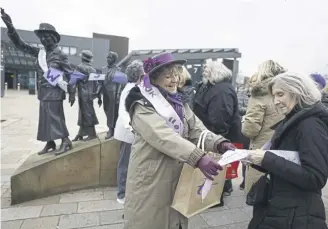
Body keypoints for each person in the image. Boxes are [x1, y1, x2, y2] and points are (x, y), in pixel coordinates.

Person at [123, 52, 236, 229]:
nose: (174, 79)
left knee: (174, 219)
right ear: (153, 78)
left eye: (176, 74)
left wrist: (219, 143)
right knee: (150, 220)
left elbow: (196, 128)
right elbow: (163, 136)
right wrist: (198, 157)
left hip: (176, 173)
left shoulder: (178, 102)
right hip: (151, 175)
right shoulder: (141, 104)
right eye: (168, 76)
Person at [246, 72, 328, 229]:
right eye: (274, 96)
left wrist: (267, 159)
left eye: (280, 94)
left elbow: (315, 177)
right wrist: (257, 160)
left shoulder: (310, 125)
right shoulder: (293, 120)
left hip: (296, 214)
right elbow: (289, 160)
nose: (275, 101)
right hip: (284, 206)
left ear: (297, 91)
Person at [1, 9, 73, 156]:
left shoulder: (61, 55)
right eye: (42, 37)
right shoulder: (40, 53)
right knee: (45, 119)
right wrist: (11, 27)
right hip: (43, 92)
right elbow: (21, 45)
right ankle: (50, 141)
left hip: (55, 91)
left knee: (55, 117)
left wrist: (72, 92)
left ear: (54, 38)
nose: (44, 39)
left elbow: (71, 73)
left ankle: (66, 141)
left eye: (47, 36)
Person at [193, 59, 242, 204]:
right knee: (221, 166)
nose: (203, 72)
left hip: (217, 136)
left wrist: (215, 139)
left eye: (206, 70)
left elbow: (220, 120)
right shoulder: (219, 88)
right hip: (215, 135)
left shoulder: (220, 91)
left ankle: (215, 197)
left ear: (214, 73)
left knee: (217, 166)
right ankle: (223, 189)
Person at [241, 60, 286, 192]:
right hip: (282, 148)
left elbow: (250, 130)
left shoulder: (259, 94)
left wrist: (244, 121)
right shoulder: (286, 91)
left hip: (262, 150)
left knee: (259, 192)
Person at [114, 60, 144, 204]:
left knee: (126, 164)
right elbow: (123, 112)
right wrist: (131, 128)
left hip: (129, 133)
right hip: (128, 134)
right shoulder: (131, 89)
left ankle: (124, 192)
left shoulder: (131, 87)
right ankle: (121, 194)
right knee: (124, 164)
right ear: (139, 75)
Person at [71, 50, 99, 141]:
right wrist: (96, 94)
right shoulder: (93, 69)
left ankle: (92, 134)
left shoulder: (79, 67)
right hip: (90, 94)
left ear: (82, 57)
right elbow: (96, 84)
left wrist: (71, 93)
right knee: (86, 112)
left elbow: (73, 81)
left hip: (83, 94)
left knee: (86, 113)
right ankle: (81, 133)